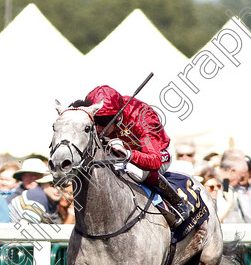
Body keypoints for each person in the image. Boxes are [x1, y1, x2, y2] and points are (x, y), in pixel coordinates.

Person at [80, 85, 191, 226]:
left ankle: (178, 203)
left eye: (103, 122)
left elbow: (154, 160)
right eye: (94, 121)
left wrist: (128, 153)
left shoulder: (143, 117)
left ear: (118, 116)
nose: (98, 128)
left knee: (133, 169)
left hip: (158, 154)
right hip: (120, 153)